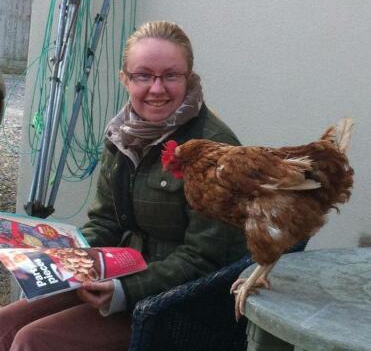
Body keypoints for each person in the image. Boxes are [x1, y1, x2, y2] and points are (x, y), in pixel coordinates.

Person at [0, 21, 246, 351]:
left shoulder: (216, 152)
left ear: (189, 78)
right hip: (117, 276)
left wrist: (123, 291)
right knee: (5, 324)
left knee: (33, 341)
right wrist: (64, 261)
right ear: (125, 80)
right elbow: (106, 222)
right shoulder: (123, 135)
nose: (156, 89)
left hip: (174, 306)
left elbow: (206, 259)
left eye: (170, 75)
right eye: (143, 75)